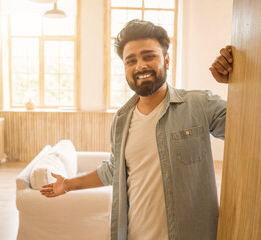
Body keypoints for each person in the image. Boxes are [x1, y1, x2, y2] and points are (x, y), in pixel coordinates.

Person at [41, 19, 233, 240]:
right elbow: (114, 169)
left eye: (149, 56)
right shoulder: (122, 120)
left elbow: (245, 129)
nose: (140, 66)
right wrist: (67, 185)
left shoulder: (199, 105)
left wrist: (240, 82)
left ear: (167, 60)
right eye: (130, 60)